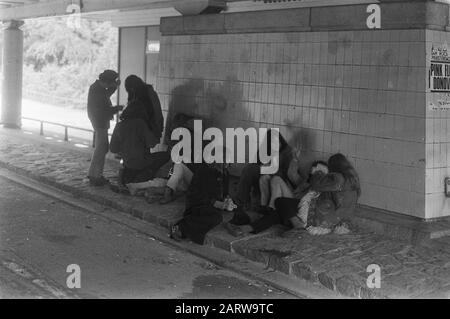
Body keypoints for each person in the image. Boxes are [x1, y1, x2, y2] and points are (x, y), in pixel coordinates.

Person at [226, 161, 328, 236]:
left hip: (300, 209)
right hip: (291, 208)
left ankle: (298, 226)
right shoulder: (306, 182)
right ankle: (243, 229)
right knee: (275, 215)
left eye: (318, 170)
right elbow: (292, 174)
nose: (314, 171)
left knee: (279, 201)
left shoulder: (322, 187)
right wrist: (295, 158)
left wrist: (318, 176)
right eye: (314, 168)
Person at [110, 88, 170, 193]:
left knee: (132, 162)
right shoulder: (140, 123)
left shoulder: (119, 125)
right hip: (141, 162)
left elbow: (113, 148)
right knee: (165, 155)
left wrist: (126, 150)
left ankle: (129, 179)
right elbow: (152, 143)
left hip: (127, 162)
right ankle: (142, 177)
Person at [170, 151, 236, 245]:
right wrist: (216, 203)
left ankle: (186, 232)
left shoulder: (225, 173)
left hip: (212, 205)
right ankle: (180, 226)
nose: (229, 164)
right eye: (226, 161)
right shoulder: (204, 171)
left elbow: (225, 193)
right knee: (215, 218)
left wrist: (228, 200)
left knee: (224, 215)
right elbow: (197, 194)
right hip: (198, 203)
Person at [87, 70, 123, 186]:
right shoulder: (98, 91)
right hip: (100, 121)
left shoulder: (98, 87)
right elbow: (103, 109)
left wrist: (115, 87)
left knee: (102, 148)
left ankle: (95, 174)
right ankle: (95, 176)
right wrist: (117, 108)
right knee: (101, 148)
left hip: (99, 120)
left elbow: (106, 94)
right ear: (107, 82)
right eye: (111, 82)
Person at [122, 75, 164, 141]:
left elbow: (156, 111)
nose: (131, 90)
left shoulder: (148, 93)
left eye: (131, 88)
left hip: (148, 125)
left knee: (143, 146)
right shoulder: (137, 93)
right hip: (143, 126)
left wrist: (158, 127)